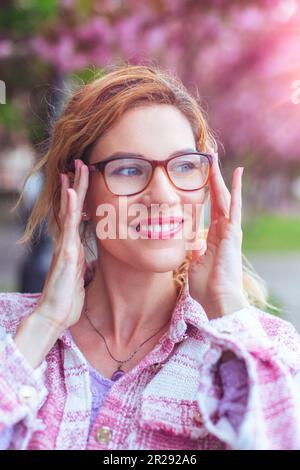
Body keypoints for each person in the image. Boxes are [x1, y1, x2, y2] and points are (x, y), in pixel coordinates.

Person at [1, 64, 300, 451]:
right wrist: (44, 324)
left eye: (185, 166)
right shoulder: (11, 331)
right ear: (80, 191)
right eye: (129, 169)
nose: (163, 195)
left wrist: (226, 303)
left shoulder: (266, 348)